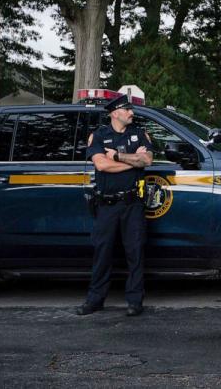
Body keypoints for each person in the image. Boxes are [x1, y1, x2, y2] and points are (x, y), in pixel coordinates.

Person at [76, 94, 153, 317]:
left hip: (133, 204)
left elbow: (147, 161)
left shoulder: (139, 134)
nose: (132, 112)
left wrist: (118, 157)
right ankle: (95, 300)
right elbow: (101, 165)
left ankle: (135, 301)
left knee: (135, 252)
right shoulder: (99, 135)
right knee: (102, 253)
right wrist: (133, 162)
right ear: (115, 113)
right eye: (127, 109)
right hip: (107, 205)